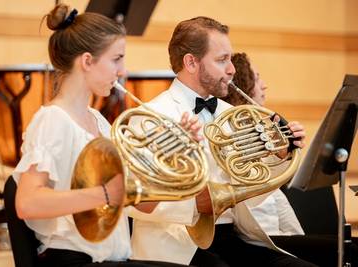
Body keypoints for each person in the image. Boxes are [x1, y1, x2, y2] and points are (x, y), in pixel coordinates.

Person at [13, 4, 199, 267]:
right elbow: (28, 203)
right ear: (87, 61)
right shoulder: (53, 119)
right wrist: (104, 194)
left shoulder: (99, 122)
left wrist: (176, 151)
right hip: (72, 259)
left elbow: (143, 204)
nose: (122, 71)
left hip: (112, 258)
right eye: (116, 59)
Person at [128, 17, 316, 267]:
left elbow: (249, 193)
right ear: (191, 62)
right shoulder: (149, 117)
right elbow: (134, 199)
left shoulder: (230, 113)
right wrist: (195, 204)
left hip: (233, 236)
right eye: (221, 59)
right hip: (178, 244)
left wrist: (278, 156)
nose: (232, 69)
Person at [225, 52, 358, 267]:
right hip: (260, 235)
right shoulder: (236, 131)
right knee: (348, 250)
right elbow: (256, 193)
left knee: (349, 247)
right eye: (257, 77)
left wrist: (285, 154)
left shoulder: (262, 126)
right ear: (243, 84)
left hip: (277, 230)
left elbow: (278, 197)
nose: (264, 85)